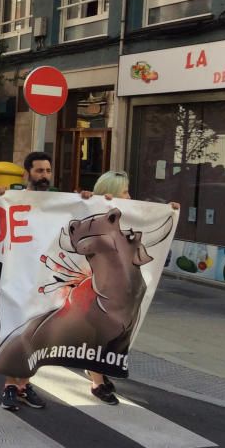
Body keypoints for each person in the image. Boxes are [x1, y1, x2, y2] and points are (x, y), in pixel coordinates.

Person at [88, 170, 180, 405]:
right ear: (110, 194)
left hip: (123, 289)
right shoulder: (97, 217)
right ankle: (96, 379)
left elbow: (149, 224)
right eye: (125, 191)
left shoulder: (128, 216)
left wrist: (168, 211)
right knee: (101, 331)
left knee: (115, 332)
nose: (129, 196)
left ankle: (100, 371)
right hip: (101, 287)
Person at [0, 151, 69, 412]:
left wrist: (92, 200)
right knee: (17, 333)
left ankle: (24, 385)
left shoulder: (61, 202)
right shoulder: (13, 198)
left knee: (38, 337)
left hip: (46, 282)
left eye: (48, 171)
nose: (44, 176)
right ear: (27, 173)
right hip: (17, 279)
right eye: (39, 171)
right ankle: (10, 387)